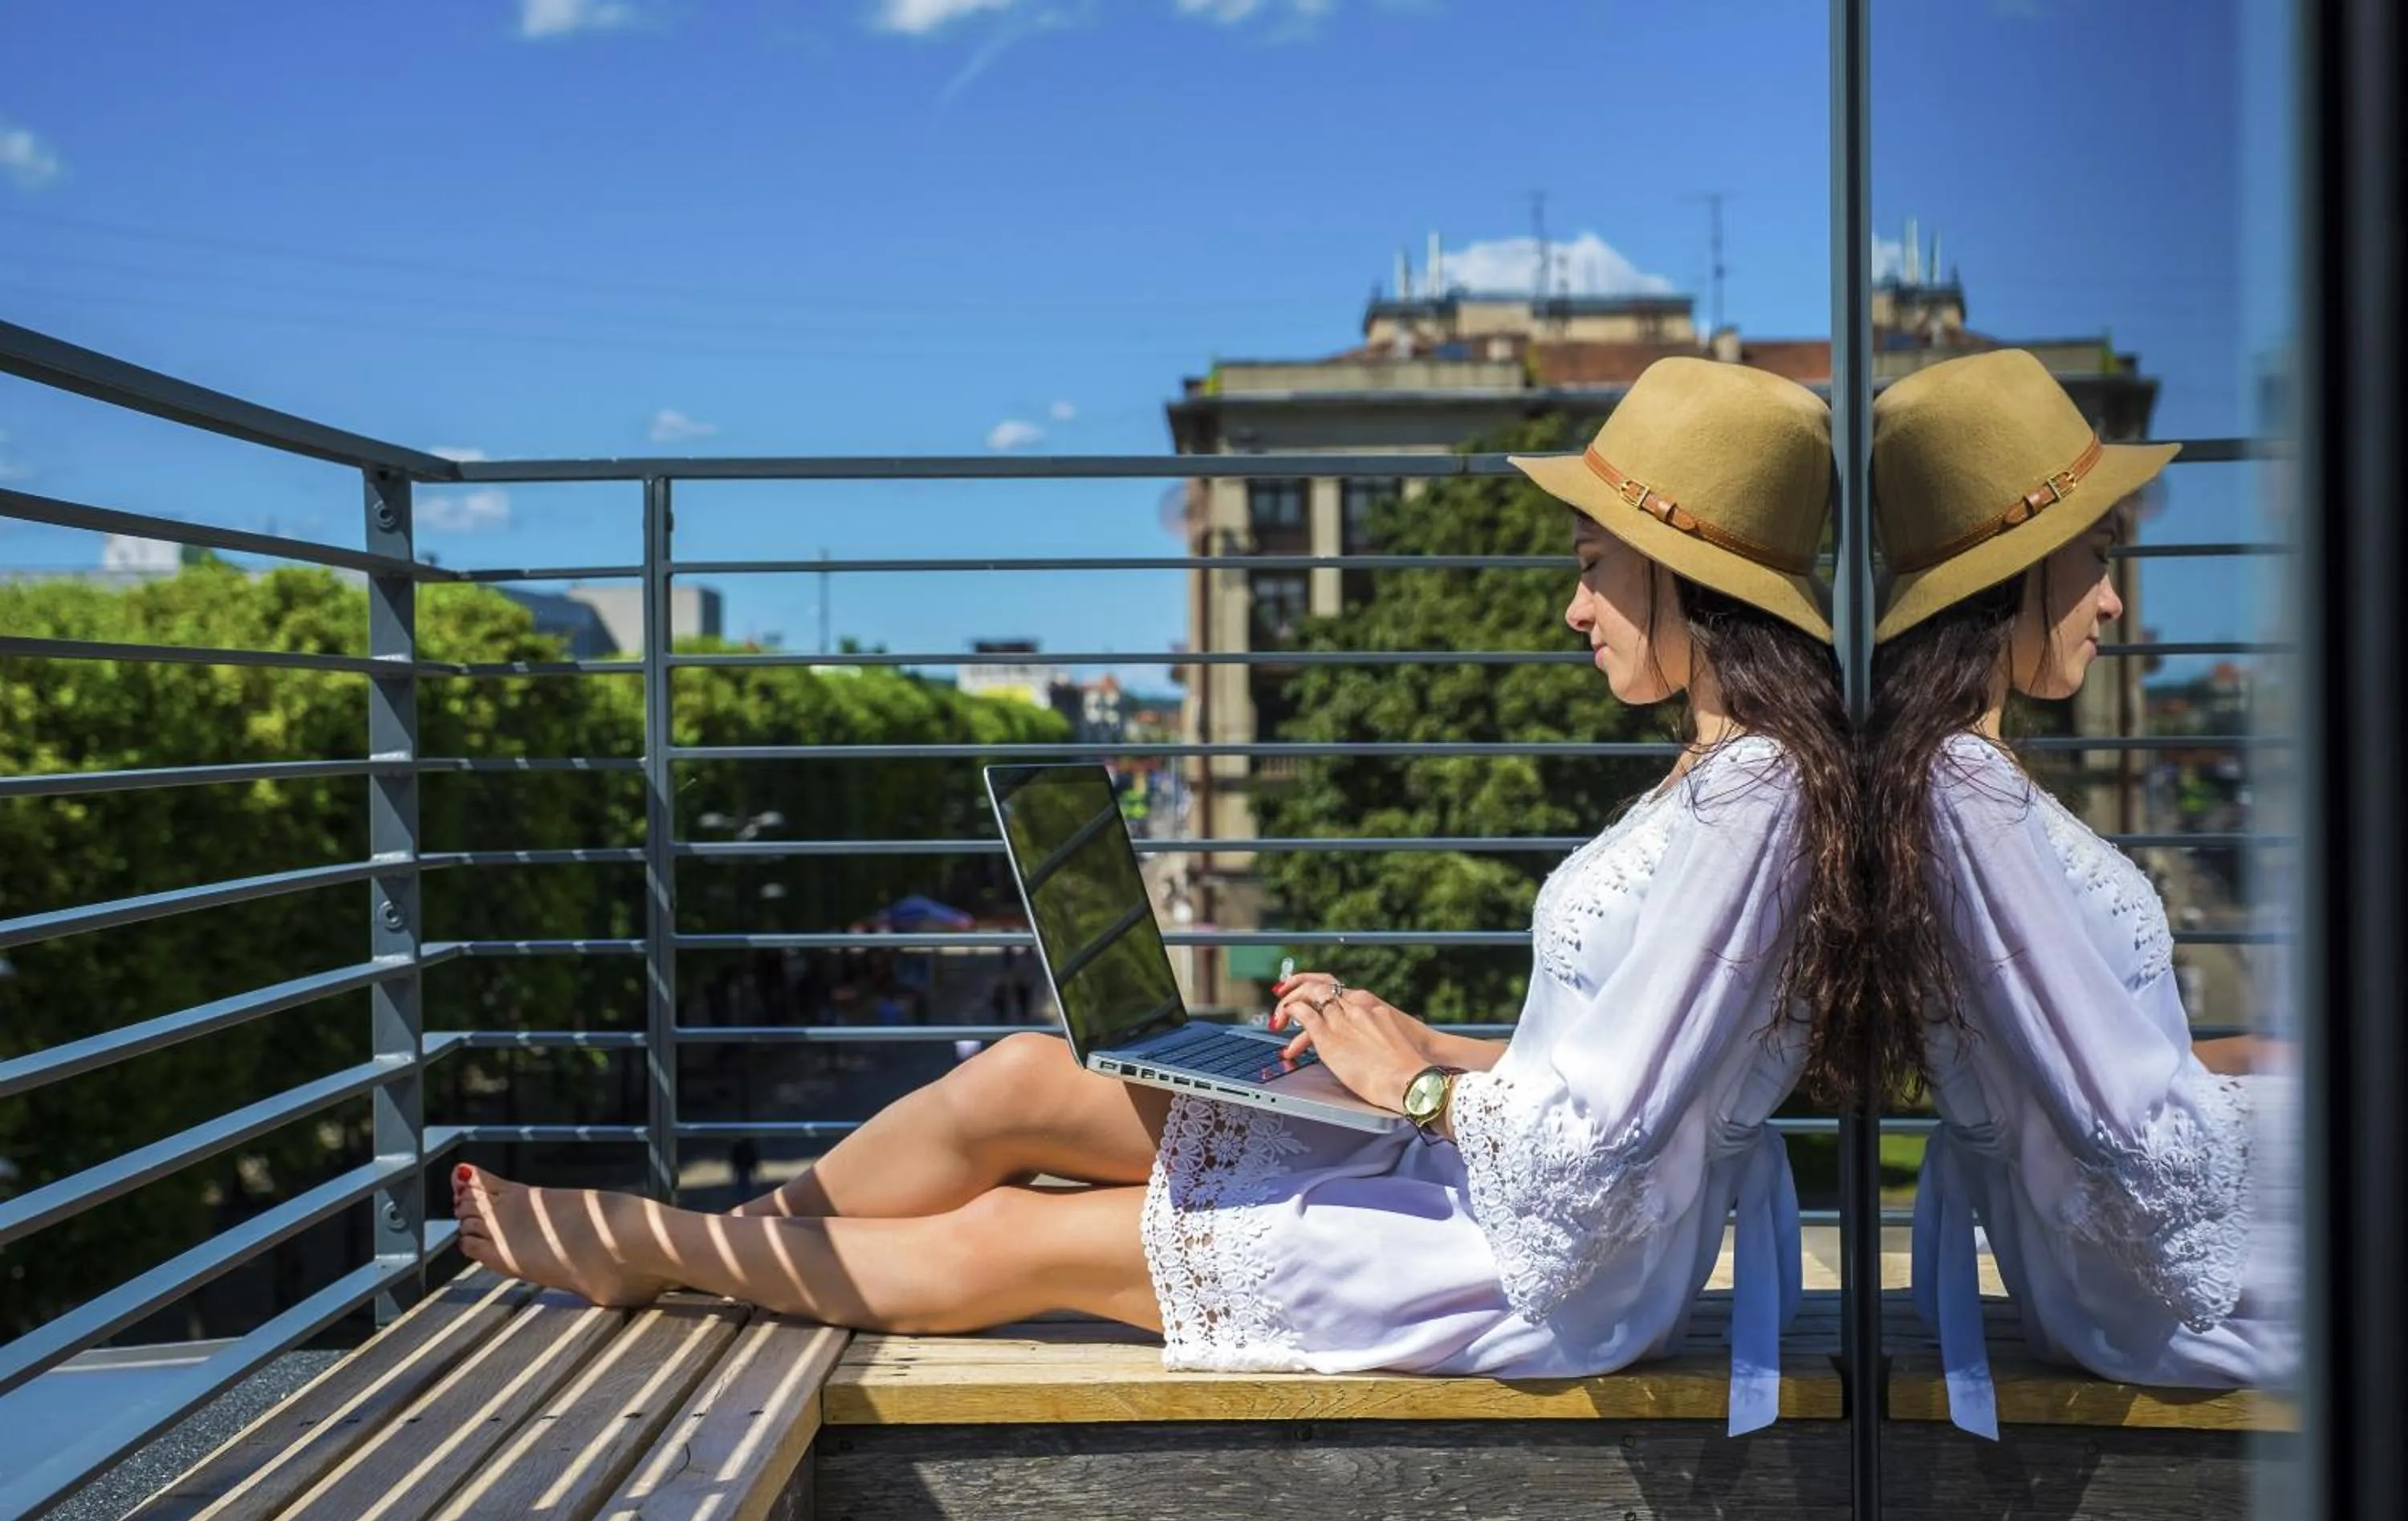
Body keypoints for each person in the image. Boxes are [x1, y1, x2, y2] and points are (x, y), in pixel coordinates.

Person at [449, 356, 1859, 1432]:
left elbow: (1605, 1151)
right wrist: (1412, 1044)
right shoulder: (1715, 779)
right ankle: (743, 1247)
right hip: (1489, 1170)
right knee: (1020, 1078)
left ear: (1686, 575)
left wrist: (1417, 1090)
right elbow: (1613, 1065)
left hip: (1540, 1266)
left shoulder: (1751, 808)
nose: (1573, 607)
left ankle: (659, 1251)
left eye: (1595, 570)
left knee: (1020, 1236)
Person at [1861, 348, 2294, 1438]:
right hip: (2140, 1290)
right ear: (2013, 576)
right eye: (2097, 560)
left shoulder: (1968, 780)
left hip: (2119, 1261)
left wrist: (2248, 1060)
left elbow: (2104, 1068)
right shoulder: (1967, 790)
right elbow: (2122, 1122)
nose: (2113, 600)